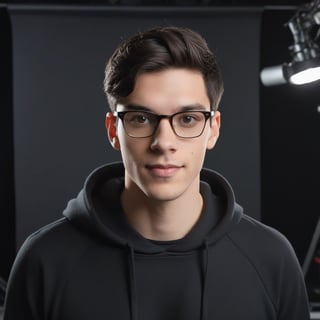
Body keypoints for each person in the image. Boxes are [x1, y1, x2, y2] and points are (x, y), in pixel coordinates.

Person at [3, 26, 310, 320]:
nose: (163, 142)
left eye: (188, 119)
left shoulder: (271, 259)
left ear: (213, 129)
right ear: (113, 130)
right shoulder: (44, 261)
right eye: (141, 118)